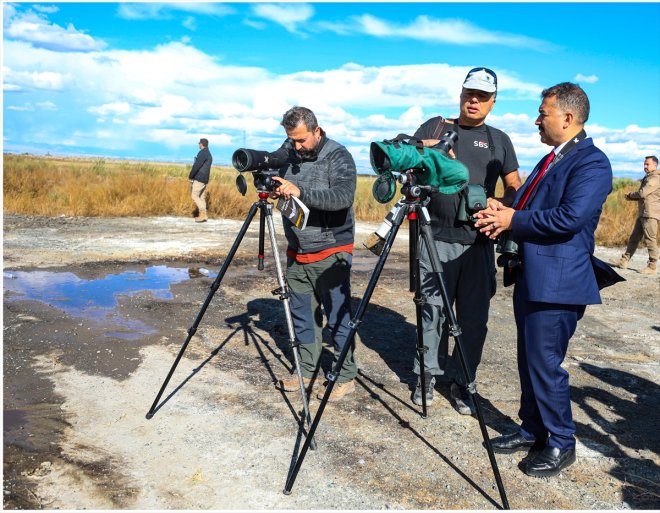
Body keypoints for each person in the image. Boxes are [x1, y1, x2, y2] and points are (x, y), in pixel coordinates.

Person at [474, 82, 613, 477]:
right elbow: (529, 204)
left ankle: (560, 440)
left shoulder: (592, 162)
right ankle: (532, 428)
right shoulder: (552, 159)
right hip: (534, 276)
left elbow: (570, 217)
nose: (537, 119)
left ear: (567, 118)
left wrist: (512, 220)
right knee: (529, 360)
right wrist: (502, 208)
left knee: (546, 363)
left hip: (559, 281)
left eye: (542, 113)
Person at [410, 67, 522, 413]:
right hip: (434, 237)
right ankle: (427, 377)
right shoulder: (437, 126)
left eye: (482, 97)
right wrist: (424, 148)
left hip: (478, 243)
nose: (473, 101)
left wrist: (501, 209)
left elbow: (514, 185)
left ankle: (463, 382)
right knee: (432, 311)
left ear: (493, 101)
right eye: (469, 94)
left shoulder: (498, 139)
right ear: (460, 94)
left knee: (473, 318)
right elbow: (408, 159)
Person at [272, 106, 358, 402]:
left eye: (301, 140)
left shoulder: (338, 155)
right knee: (302, 315)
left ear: (316, 131)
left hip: (332, 249)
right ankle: (306, 370)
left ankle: (345, 375)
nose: (296, 147)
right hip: (298, 250)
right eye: (291, 140)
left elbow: (343, 197)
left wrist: (300, 192)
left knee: (337, 317)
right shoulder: (289, 154)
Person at [611, 155, 660, 274]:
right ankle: (624, 260)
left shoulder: (655, 178)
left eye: (647, 164)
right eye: (644, 164)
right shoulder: (649, 177)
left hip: (650, 214)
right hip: (643, 213)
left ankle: (652, 266)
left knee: (650, 240)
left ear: (655, 165)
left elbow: (643, 193)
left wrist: (630, 195)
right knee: (634, 238)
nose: (645, 166)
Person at [188, 138, 213, 223]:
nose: (198, 144)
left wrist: (191, 176)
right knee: (201, 197)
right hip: (205, 178)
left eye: (199, 143)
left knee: (194, 195)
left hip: (199, 178)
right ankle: (203, 216)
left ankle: (203, 214)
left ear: (201, 144)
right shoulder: (208, 153)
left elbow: (196, 166)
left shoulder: (203, 153)